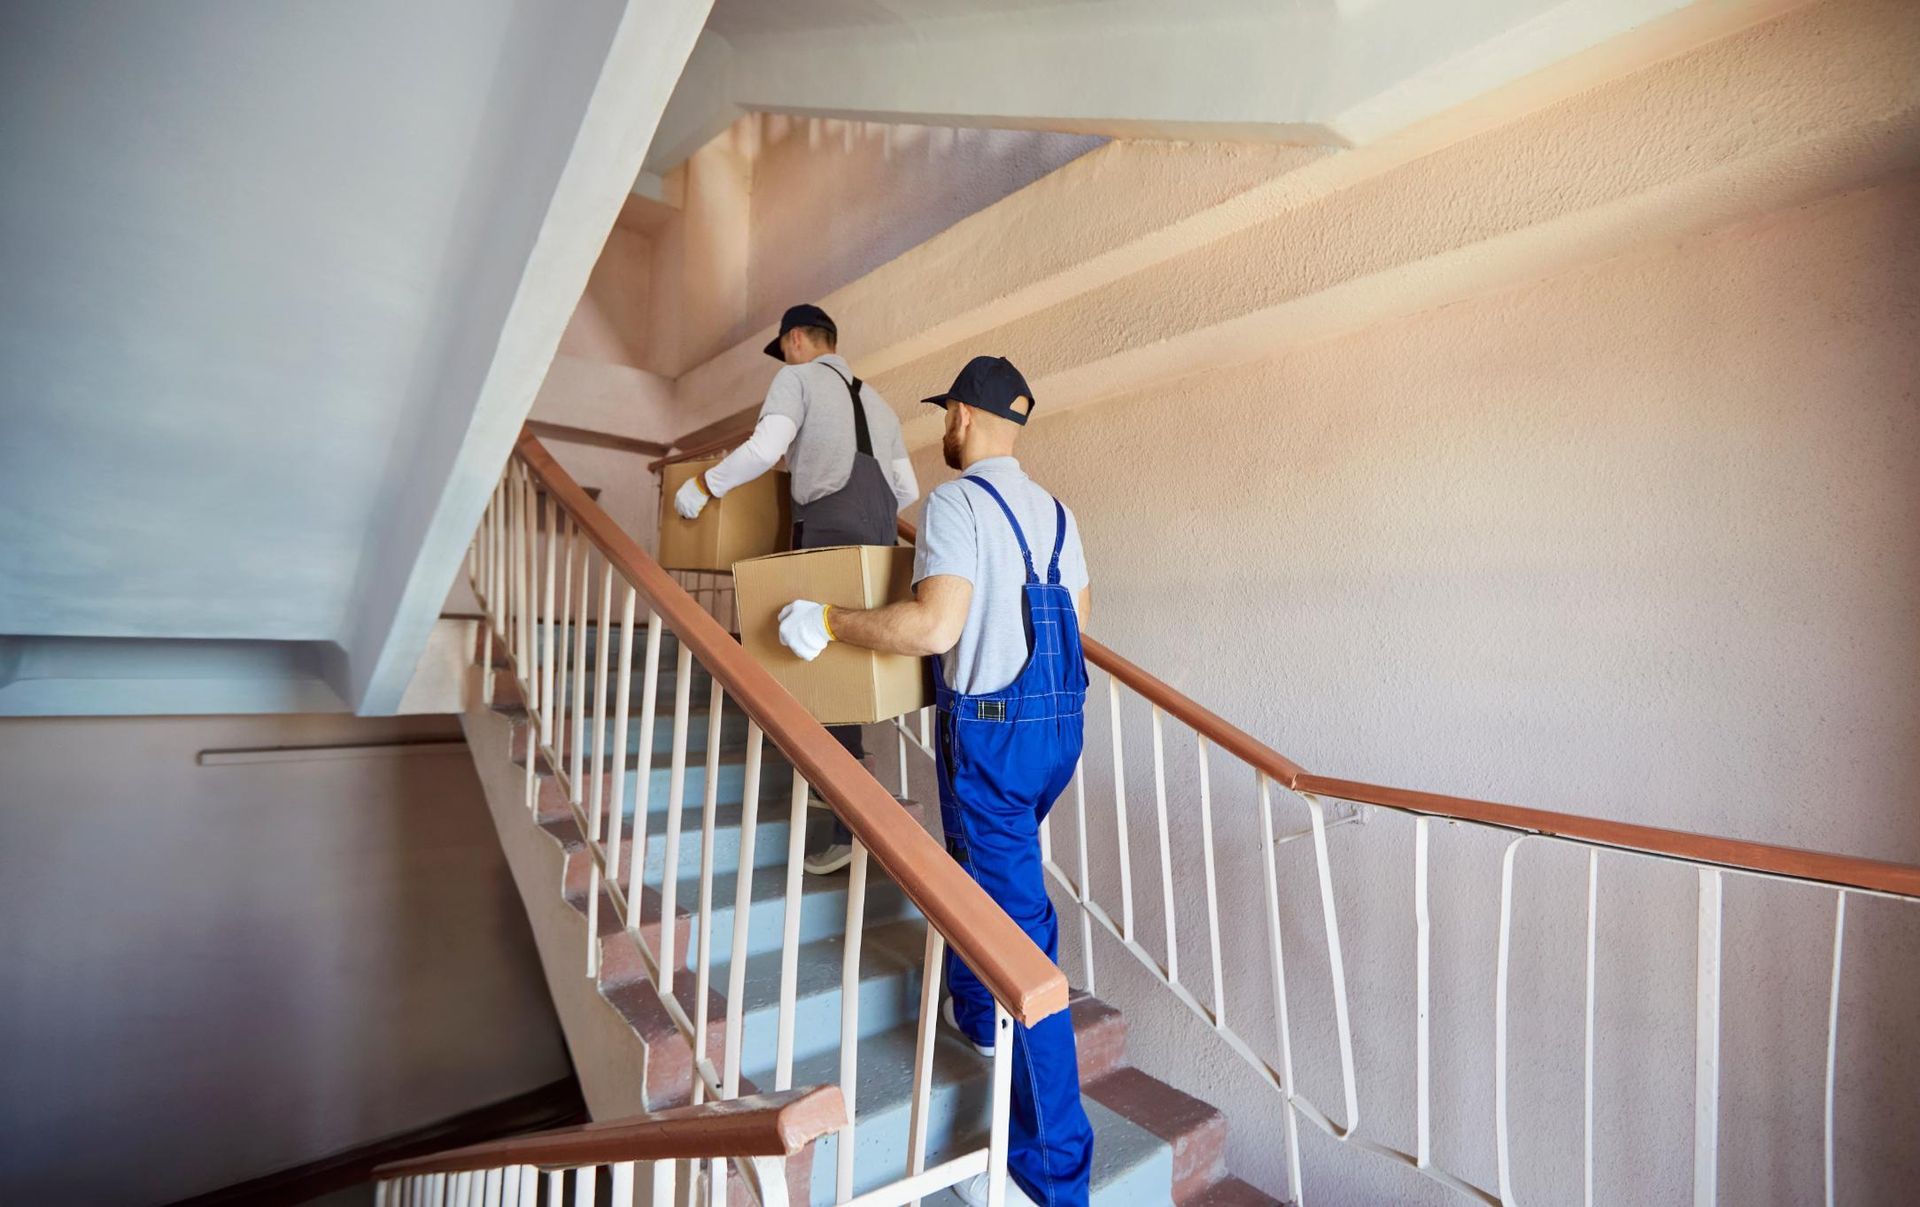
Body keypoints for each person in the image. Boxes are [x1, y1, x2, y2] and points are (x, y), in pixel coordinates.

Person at [773, 356, 1094, 1207]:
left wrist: (831, 620)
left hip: (991, 736)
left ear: (960, 415)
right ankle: (976, 1014)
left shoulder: (956, 504)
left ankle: (1053, 1170)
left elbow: (933, 625)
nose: (943, 428)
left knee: (1023, 941)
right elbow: (1079, 628)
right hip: (1056, 734)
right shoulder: (1059, 514)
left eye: (946, 414)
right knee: (974, 875)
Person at [674, 303, 918, 875]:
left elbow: (766, 448)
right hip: (879, 536)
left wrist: (704, 487)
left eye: (784, 346)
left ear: (799, 339)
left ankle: (844, 818)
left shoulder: (797, 378)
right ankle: (833, 792)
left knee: (817, 664)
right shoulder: (878, 401)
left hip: (829, 523)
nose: (783, 357)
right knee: (849, 669)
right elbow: (905, 486)